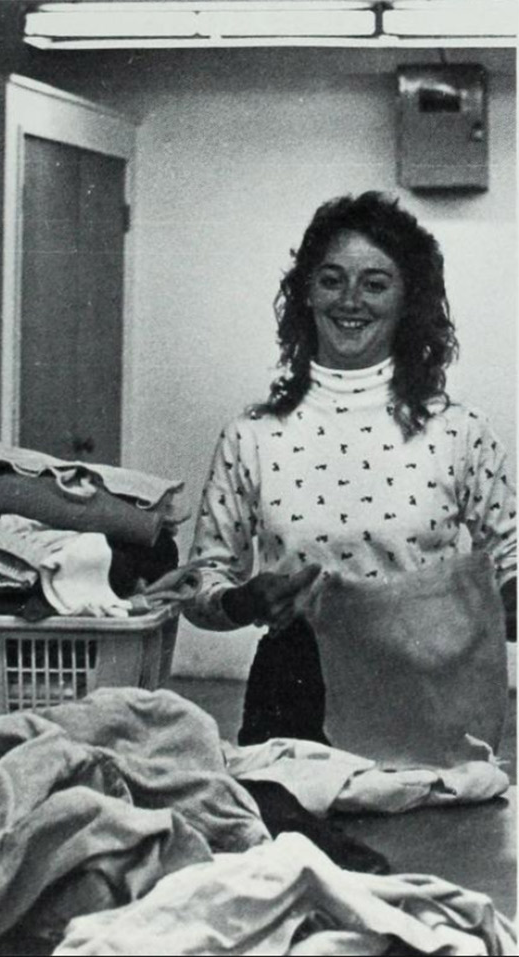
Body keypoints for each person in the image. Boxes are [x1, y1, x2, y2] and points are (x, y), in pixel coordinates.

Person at [183, 191, 517, 746]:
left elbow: (510, 562)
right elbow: (202, 583)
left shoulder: (459, 431)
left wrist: (481, 605)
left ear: (408, 300)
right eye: (332, 279)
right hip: (291, 697)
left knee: (426, 834)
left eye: (376, 283)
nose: (351, 300)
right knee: (288, 833)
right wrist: (243, 600)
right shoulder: (252, 435)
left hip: (428, 698)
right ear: (305, 294)